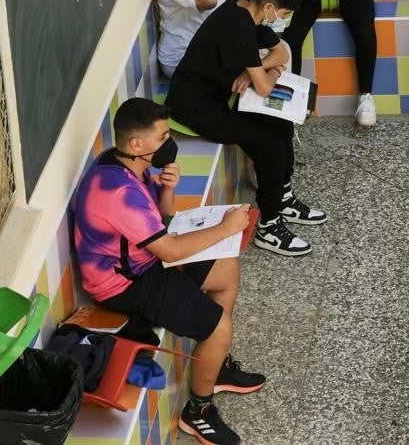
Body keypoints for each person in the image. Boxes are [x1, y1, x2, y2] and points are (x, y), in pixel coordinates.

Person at [71, 98, 264, 445]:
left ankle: (213, 365)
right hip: (124, 284)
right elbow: (170, 249)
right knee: (219, 327)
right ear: (137, 144)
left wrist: (169, 188)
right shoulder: (118, 193)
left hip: (145, 260)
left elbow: (160, 219)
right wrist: (225, 227)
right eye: (163, 137)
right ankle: (198, 411)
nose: (169, 142)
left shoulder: (126, 164)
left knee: (226, 271)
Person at [168, 0, 327, 257]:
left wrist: (261, 68)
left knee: (281, 124)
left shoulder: (245, 8)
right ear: (269, 6)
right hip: (198, 108)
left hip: (224, 96)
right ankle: (268, 226)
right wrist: (271, 73)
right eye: (283, 13)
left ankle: (283, 197)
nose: (283, 19)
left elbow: (282, 51)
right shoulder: (238, 25)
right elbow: (265, 88)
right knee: (270, 146)